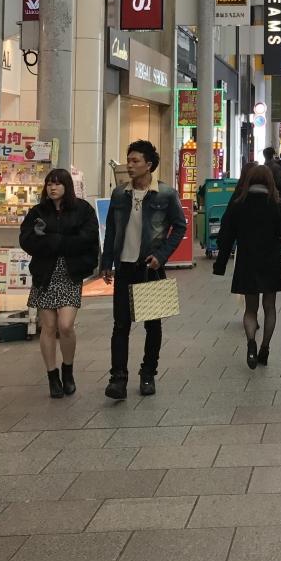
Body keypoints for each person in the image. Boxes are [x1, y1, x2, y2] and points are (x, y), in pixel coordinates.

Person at [100, 140, 187, 400]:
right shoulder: (119, 194)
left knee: (152, 324)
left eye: (135, 161)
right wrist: (106, 262)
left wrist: (161, 256)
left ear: (148, 165)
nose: (130, 165)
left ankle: (148, 373)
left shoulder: (165, 194)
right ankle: (118, 378)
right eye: (129, 160)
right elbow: (111, 230)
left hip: (150, 268)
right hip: (124, 267)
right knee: (120, 325)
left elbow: (179, 227)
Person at [20, 168, 99, 398]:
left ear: (67, 186)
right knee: (48, 327)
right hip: (45, 274)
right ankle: (52, 376)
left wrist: (55, 241)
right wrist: (56, 243)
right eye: (49, 184)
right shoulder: (37, 212)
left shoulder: (82, 209)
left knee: (65, 325)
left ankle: (68, 369)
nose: (52, 188)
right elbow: (26, 240)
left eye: (57, 183)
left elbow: (88, 239)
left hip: (70, 274)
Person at [214, 165, 281, 368]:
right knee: (270, 307)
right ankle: (265, 347)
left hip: (247, 261)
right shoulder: (275, 204)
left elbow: (227, 236)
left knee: (250, 309)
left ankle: (251, 344)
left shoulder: (239, 204)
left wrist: (220, 265)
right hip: (271, 261)